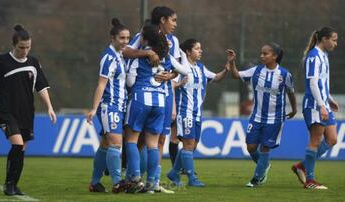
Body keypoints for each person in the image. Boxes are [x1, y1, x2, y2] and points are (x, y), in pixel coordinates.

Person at [0, 24, 57, 196]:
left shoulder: (33, 63)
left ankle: (14, 184)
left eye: (28, 47)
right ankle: (9, 185)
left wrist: (49, 107)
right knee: (17, 145)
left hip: (26, 112)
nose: (25, 51)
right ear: (14, 45)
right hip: (6, 111)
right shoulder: (2, 61)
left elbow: (41, 87)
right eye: (21, 47)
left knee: (22, 149)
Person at [125, 23, 188, 193]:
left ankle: (136, 178)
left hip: (140, 99)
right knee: (153, 144)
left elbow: (130, 81)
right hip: (160, 102)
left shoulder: (139, 57)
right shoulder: (166, 56)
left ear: (144, 39)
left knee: (131, 140)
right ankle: (152, 182)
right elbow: (185, 69)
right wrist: (171, 75)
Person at [228, 43, 297, 187]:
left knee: (265, 147)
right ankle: (264, 165)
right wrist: (232, 61)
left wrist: (295, 109)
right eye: (261, 53)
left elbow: (291, 93)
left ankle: (256, 179)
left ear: (275, 56)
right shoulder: (256, 71)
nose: (262, 56)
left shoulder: (285, 75)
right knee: (251, 147)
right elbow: (236, 75)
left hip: (275, 118)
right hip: (256, 117)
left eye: (265, 54)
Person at [167, 39, 230, 187]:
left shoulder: (201, 68)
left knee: (193, 144)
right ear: (188, 51)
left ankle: (174, 173)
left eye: (200, 48)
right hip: (185, 112)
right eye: (197, 48)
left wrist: (226, 68)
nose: (200, 51)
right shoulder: (180, 67)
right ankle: (191, 178)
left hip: (197, 113)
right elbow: (170, 84)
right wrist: (178, 87)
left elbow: (216, 78)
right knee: (188, 145)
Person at [86, 18, 130, 193]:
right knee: (116, 144)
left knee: (105, 144)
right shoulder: (108, 57)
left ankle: (95, 182)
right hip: (109, 106)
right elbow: (101, 84)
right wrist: (94, 108)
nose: (125, 41)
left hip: (119, 107)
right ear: (113, 39)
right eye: (122, 38)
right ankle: (118, 182)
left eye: (127, 38)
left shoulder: (120, 55)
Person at [291, 27, 338, 190]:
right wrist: (321, 105)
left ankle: (301, 166)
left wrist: (329, 99)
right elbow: (312, 83)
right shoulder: (313, 56)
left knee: (332, 139)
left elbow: (322, 82)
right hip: (314, 105)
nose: (335, 43)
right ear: (324, 39)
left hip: (323, 104)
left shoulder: (324, 55)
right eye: (333, 40)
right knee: (315, 141)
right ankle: (310, 180)